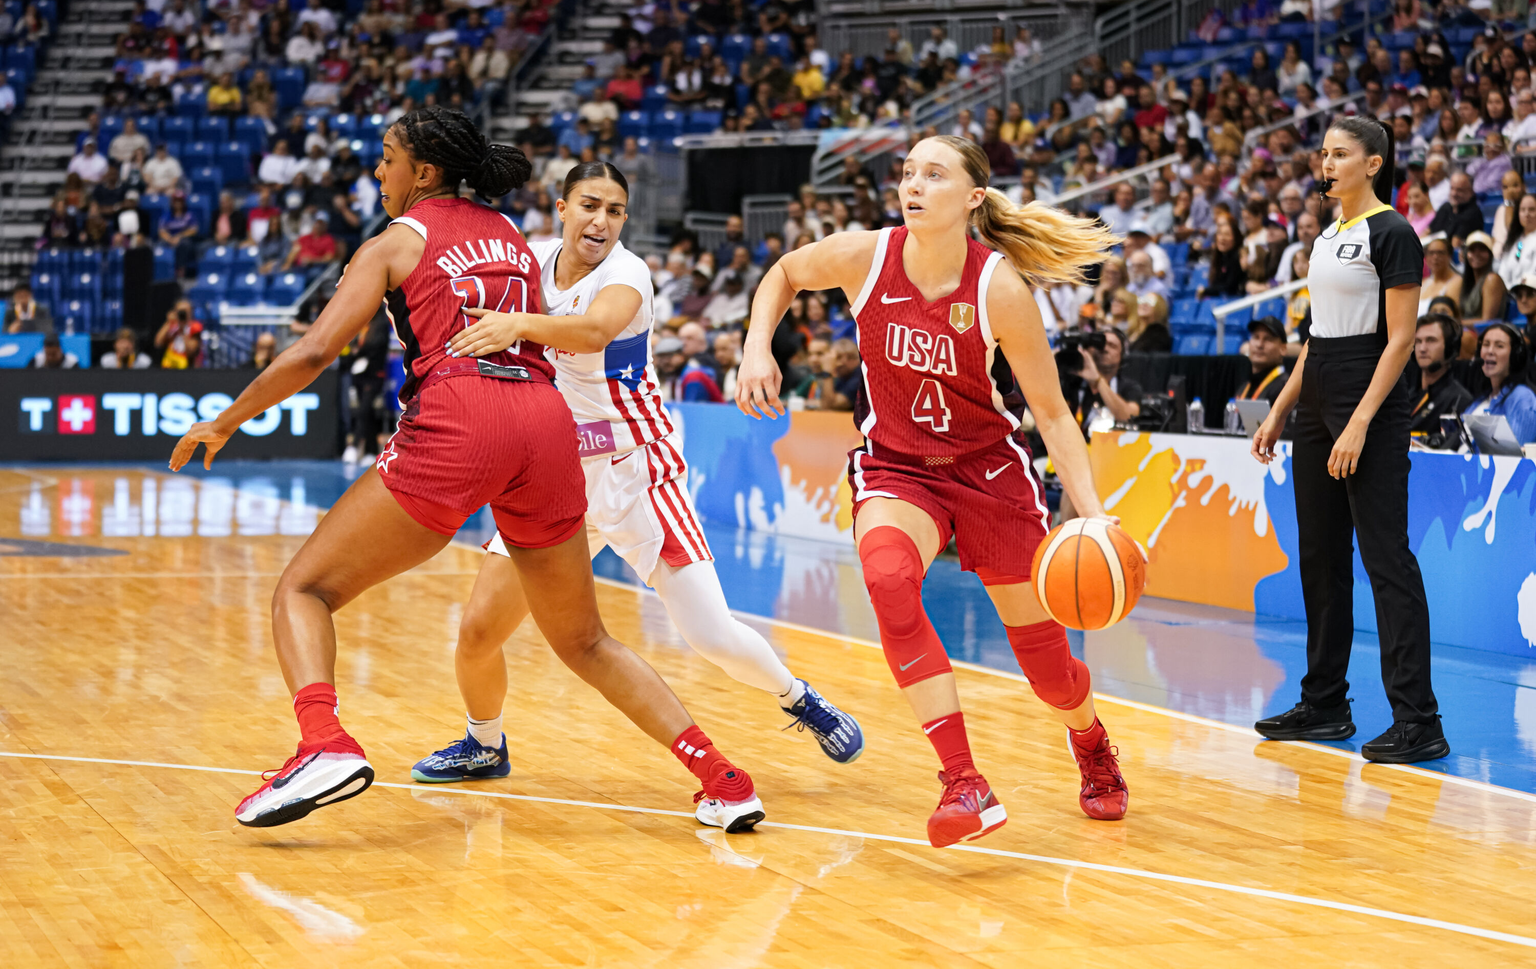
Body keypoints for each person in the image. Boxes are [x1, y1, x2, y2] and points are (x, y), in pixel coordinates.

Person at [169, 106, 766, 831]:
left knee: (304, 590)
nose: (378, 170)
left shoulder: (394, 243)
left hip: (461, 420)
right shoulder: (514, 239)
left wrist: (227, 418)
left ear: (424, 170)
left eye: (387, 157)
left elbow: (313, 352)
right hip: (547, 426)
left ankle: (323, 743)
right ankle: (724, 777)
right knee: (584, 638)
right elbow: (550, 336)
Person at [736, 134, 1130, 848]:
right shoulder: (867, 256)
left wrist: (1096, 517)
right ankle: (963, 781)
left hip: (987, 472)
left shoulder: (999, 288)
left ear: (973, 197)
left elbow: (1051, 413)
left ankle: (1090, 740)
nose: (913, 186)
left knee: (1047, 672)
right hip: (897, 467)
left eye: (934, 175)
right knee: (888, 578)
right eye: (908, 173)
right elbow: (784, 274)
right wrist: (756, 344)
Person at [414, 159, 862, 784]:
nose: (601, 221)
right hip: (553, 474)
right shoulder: (528, 258)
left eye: (615, 210)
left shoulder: (630, 272)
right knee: (478, 631)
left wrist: (516, 323)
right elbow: (458, 285)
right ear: (561, 206)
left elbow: (594, 329)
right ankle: (483, 744)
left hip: (634, 468)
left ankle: (797, 698)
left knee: (712, 635)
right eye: (590, 205)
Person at [1251, 117, 1447, 764]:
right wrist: (1280, 407)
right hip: (1319, 396)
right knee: (1322, 558)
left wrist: (1360, 420)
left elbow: (1399, 340)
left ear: (1373, 162)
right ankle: (1325, 703)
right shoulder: (1329, 237)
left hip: (1373, 401)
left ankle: (1419, 720)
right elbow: (1317, 337)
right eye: (1324, 153)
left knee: (1386, 560)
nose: (1326, 163)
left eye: (1340, 154)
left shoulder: (1392, 233)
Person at [1406, 313, 1472, 446]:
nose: (1422, 348)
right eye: (1418, 341)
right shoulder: (1407, 395)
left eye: (1431, 340)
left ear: (1449, 347)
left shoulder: (1459, 399)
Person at [1465, 323, 1536, 444]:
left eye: (1499, 346)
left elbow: (1515, 458)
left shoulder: (1522, 397)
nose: (1490, 351)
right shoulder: (1482, 397)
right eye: (1486, 345)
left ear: (1515, 355)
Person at [1237, 316, 1290, 403]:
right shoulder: (1244, 387)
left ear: (1283, 348)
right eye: (1256, 337)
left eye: (1268, 339)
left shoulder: (1285, 388)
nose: (1259, 345)